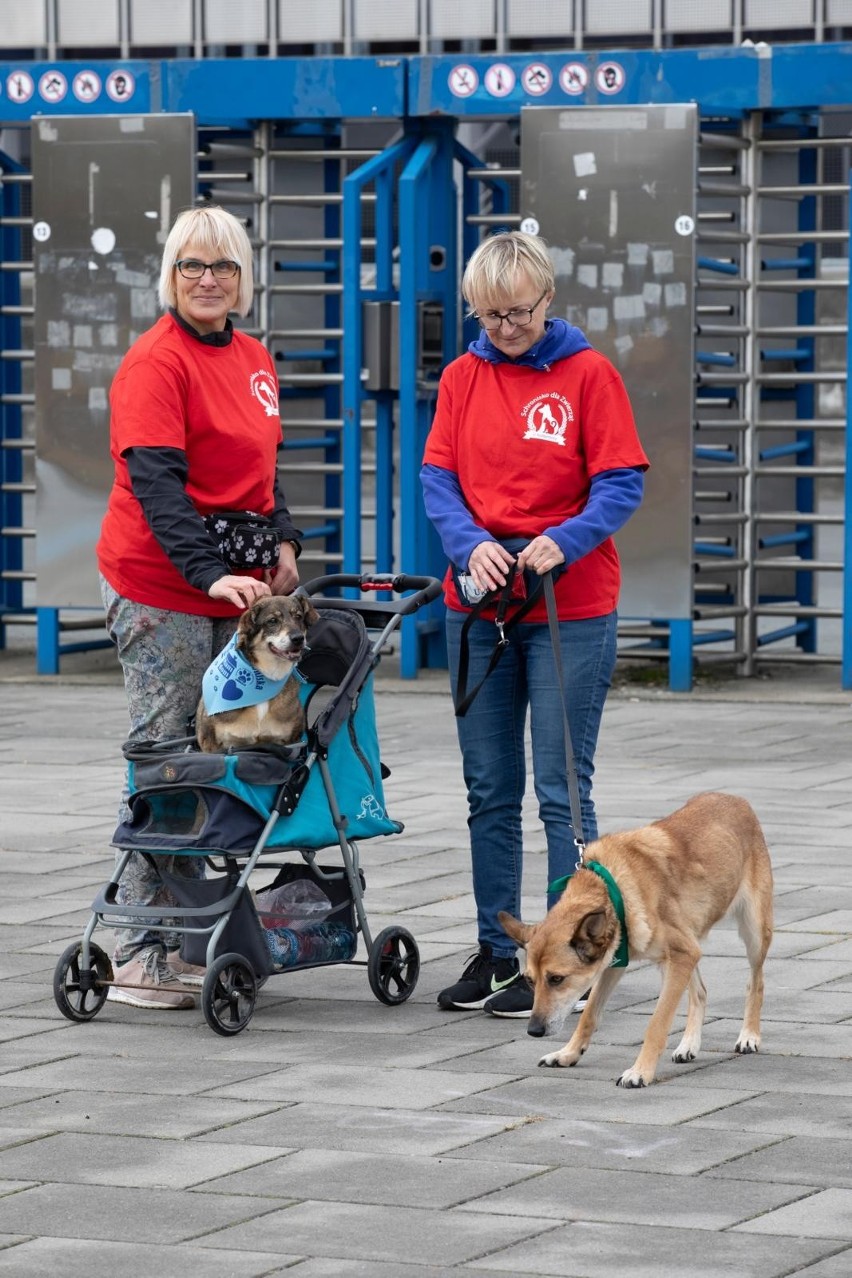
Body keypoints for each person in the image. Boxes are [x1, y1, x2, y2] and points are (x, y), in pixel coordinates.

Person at [421, 230, 649, 1018]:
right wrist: (469, 544)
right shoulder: (462, 376)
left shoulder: (589, 375)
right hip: (481, 606)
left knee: (562, 792)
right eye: (489, 317)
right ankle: (497, 950)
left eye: (518, 312)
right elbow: (438, 476)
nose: (505, 329)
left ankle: (562, 955)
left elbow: (620, 483)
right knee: (489, 788)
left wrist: (565, 537)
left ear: (547, 300)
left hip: (568, 607)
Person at [97, 204, 302, 1009]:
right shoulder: (156, 363)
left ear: (244, 278)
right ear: (170, 276)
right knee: (165, 755)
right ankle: (138, 947)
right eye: (191, 266)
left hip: (234, 586)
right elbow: (157, 486)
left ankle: (188, 937)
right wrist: (208, 575)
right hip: (161, 585)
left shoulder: (252, 356)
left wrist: (283, 538)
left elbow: (260, 471)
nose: (208, 279)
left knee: (214, 760)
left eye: (222, 266)